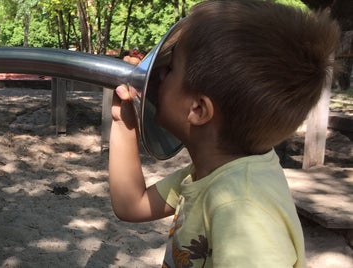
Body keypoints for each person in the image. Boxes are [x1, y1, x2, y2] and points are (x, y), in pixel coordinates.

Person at [108, 1, 339, 267]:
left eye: (170, 68)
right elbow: (131, 205)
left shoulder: (243, 208)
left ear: (197, 109)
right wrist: (124, 123)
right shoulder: (215, 170)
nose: (158, 74)